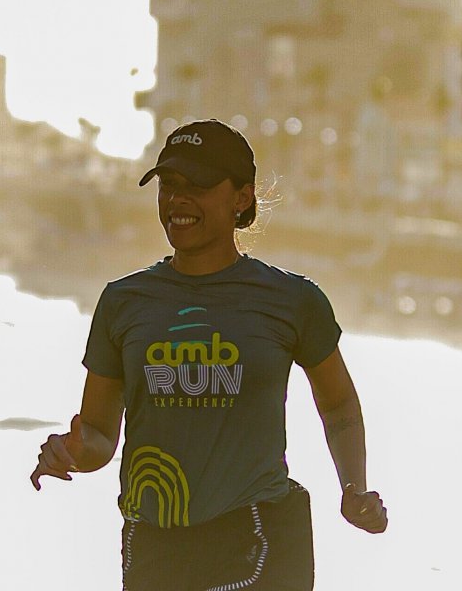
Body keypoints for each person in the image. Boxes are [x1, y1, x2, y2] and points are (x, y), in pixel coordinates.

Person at [30, 119, 387, 590]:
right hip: (154, 547)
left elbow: (338, 403)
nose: (178, 199)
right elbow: (98, 434)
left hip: (256, 539)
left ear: (241, 197)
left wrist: (353, 486)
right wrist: (73, 453)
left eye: (196, 186)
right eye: (169, 186)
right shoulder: (124, 302)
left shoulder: (292, 300)